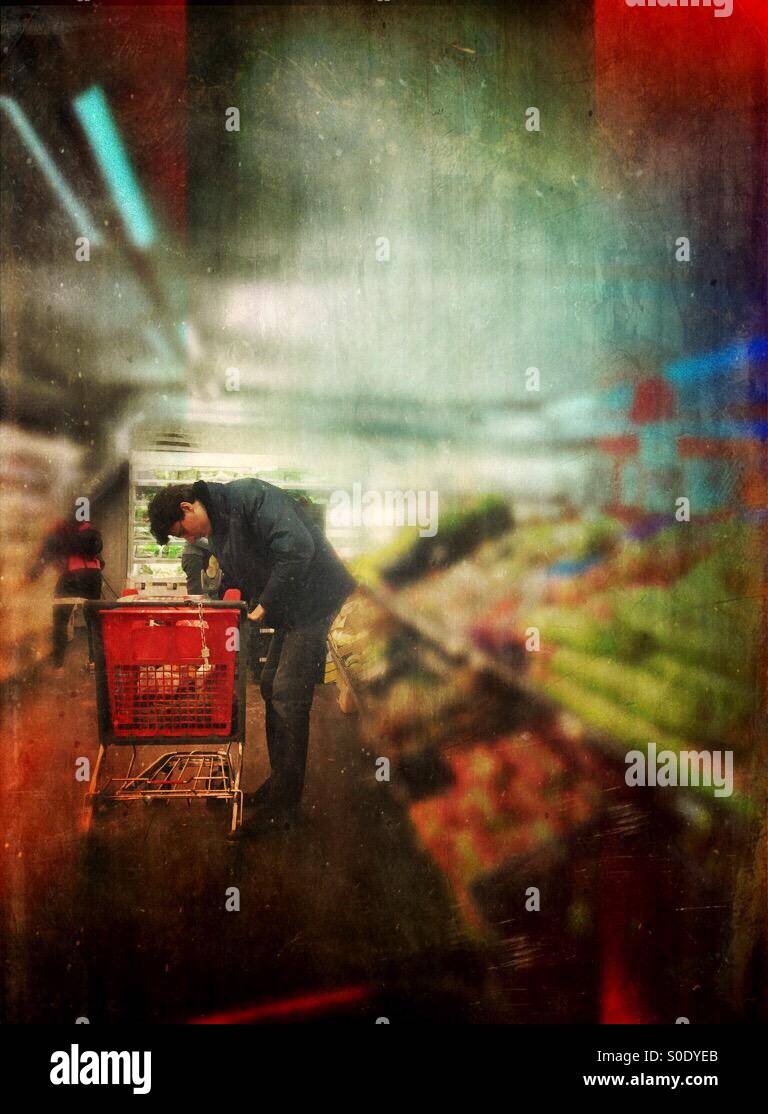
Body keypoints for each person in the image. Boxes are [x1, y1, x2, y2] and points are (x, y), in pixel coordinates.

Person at [148, 479, 356, 834]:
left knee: (288, 694)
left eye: (181, 531)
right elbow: (238, 567)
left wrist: (263, 608)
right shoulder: (218, 526)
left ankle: (285, 809)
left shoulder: (250, 498)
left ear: (188, 508)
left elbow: (297, 549)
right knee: (270, 685)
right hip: (294, 606)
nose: (187, 540)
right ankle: (280, 786)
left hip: (316, 599)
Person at [29, 516, 104, 667]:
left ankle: (57, 664)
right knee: (93, 621)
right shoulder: (89, 531)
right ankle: (95, 662)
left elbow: (45, 556)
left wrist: (32, 575)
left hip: (72, 576)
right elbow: (101, 562)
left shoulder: (60, 531)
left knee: (60, 620)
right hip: (94, 575)